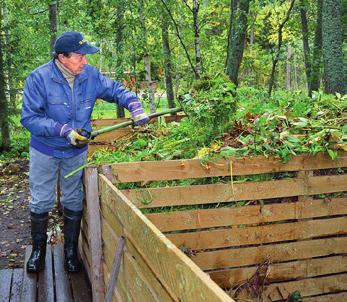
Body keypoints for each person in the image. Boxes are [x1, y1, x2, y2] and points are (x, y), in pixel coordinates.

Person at [21, 31, 149, 273]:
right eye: (81, 56)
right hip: (45, 150)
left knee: (72, 198)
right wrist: (63, 130)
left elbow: (115, 90)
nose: (85, 61)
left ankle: (70, 252)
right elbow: (29, 118)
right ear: (62, 57)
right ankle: (38, 251)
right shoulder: (39, 78)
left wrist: (134, 105)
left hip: (75, 152)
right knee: (42, 200)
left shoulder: (89, 75)